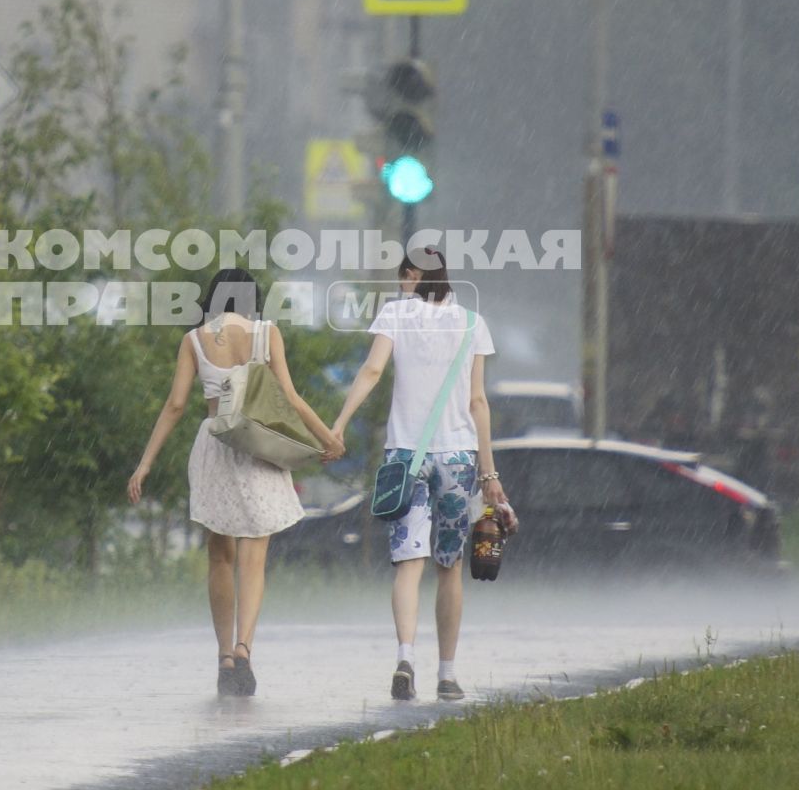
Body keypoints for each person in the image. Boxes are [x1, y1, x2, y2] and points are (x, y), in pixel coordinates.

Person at [127, 268, 345, 696]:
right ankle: (245, 646)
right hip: (259, 446)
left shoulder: (194, 339)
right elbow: (290, 396)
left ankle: (224, 655)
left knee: (219, 555)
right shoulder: (266, 333)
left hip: (215, 445)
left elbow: (174, 406)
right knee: (254, 555)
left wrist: (144, 464)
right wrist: (328, 439)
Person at [329, 247, 515, 703]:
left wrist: (338, 422)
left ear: (412, 275)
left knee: (408, 565)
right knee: (448, 567)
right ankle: (447, 675)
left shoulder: (395, 315)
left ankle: (405, 658)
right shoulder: (472, 324)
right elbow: (478, 403)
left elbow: (372, 371)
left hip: (406, 457)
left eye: (402, 278)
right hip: (457, 459)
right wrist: (489, 473)